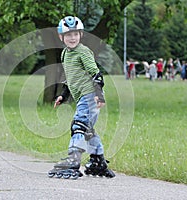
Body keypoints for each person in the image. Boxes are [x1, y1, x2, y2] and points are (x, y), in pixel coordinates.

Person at [48, 16, 115, 179]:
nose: (72, 38)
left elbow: (96, 74)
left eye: (75, 34)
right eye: (68, 34)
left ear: (81, 35)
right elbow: (70, 78)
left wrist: (99, 95)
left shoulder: (83, 51)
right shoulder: (65, 53)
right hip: (83, 96)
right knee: (87, 130)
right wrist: (63, 96)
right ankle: (97, 161)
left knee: (78, 125)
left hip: (90, 95)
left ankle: (73, 161)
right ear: (61, 37)